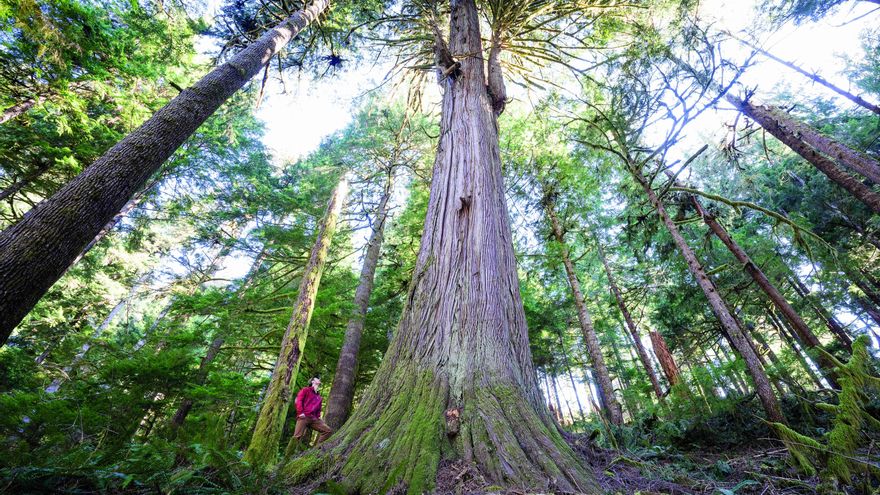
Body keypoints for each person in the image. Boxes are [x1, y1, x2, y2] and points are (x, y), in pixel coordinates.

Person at [292, 377, 332, 445]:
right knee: (297, 437)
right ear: (312, 381)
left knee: (328, 431)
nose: (319, 379)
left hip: (313, 418)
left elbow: (318, 409)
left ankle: (317, 450)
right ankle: (289, 455)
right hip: (303, 417)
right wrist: (300, 413)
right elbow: (298, 401)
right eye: (317, 379)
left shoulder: (319, 397)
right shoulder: (305, 390)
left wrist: (318, 417)